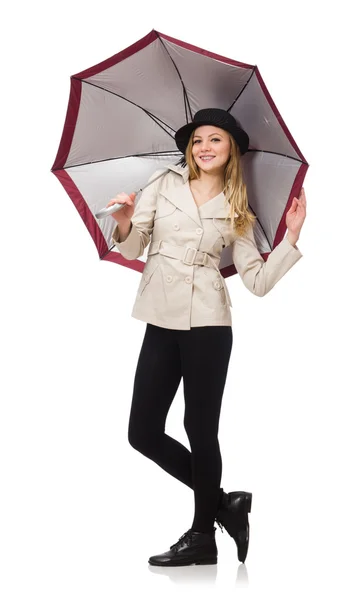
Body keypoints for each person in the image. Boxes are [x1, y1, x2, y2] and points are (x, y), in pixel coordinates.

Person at [106, 108, 307, 567]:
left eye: (215, 139)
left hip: (210, 323)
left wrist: (290, 239)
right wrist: (124, 219)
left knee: (200, 430)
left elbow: (254, 282)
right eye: (198, 140)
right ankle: (222, 505)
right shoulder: (164, 183)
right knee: (143, 432)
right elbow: (134, 248)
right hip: (160, 316)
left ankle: (201, 537)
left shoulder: (239, 206)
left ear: (231, 148)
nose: (205, 147)